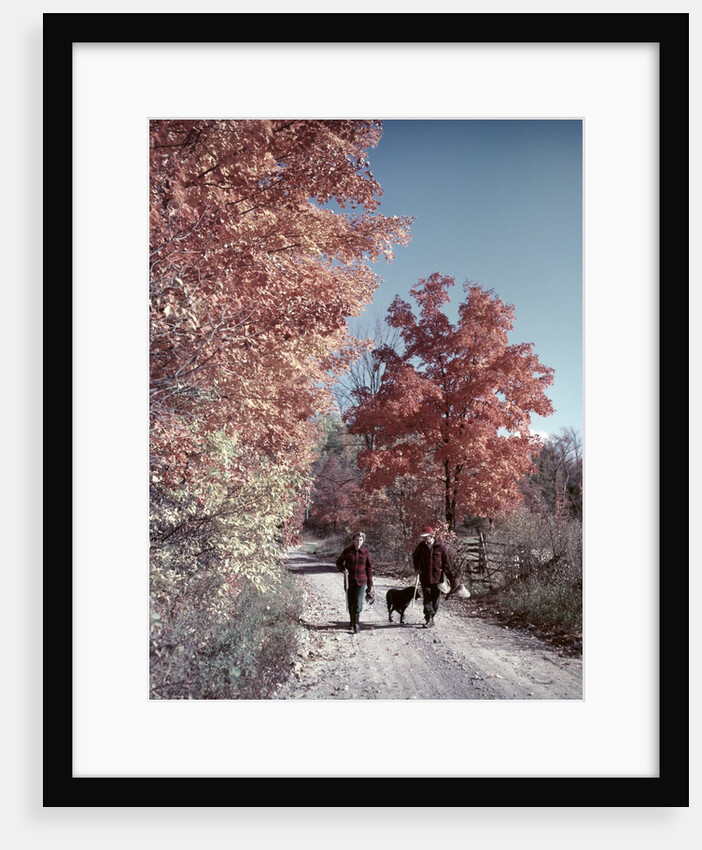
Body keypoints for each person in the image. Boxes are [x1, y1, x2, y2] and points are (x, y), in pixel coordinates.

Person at [412, 526, 452, 628]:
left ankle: (432, 616)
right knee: (427, 596)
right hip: (425, 577)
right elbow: (415, 557)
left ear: (431, 535)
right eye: (423, 537)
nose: (424, 539)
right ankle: (429, 617)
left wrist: (451, 578)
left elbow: (446, 564)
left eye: (426, 537)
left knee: (436, 599)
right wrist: (417, 568)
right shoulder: (421, 546)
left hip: (437, 578)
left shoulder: (441, 547)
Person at [336, 532, 374, 634]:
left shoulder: (365, 552)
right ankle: (352, 622)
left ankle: (356, 624)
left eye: (360, 540)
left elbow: (369, 569)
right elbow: (338, 562)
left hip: (361, 582)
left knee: (358, 603)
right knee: (351, 602)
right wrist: (343, 570)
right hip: (349, 581)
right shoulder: (348, 551)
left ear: (363, 541)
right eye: (357, 539)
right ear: (353, 540)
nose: (358, 542)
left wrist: (370, 585)